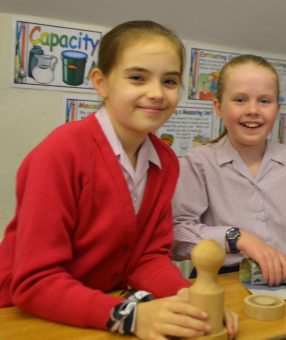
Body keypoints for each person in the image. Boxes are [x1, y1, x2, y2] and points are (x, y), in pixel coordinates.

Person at [0, 21, 237, 339]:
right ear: (102, 82)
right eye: (137, 77)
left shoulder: (164, 161)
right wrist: (130, 316)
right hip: (22, 315)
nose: (155, 93)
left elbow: (147, 257)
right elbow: (34, 282)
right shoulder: (61, 152)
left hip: (97, 312)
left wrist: (191, 302)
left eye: (169, 81)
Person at [173, 54, 286, 286]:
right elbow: (178, 234)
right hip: (222, 279)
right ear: (218, 107)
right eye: (240, 100)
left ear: (277, 108)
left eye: (265, 101)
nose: (253, 110)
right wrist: (237, 238)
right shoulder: (198, 163)